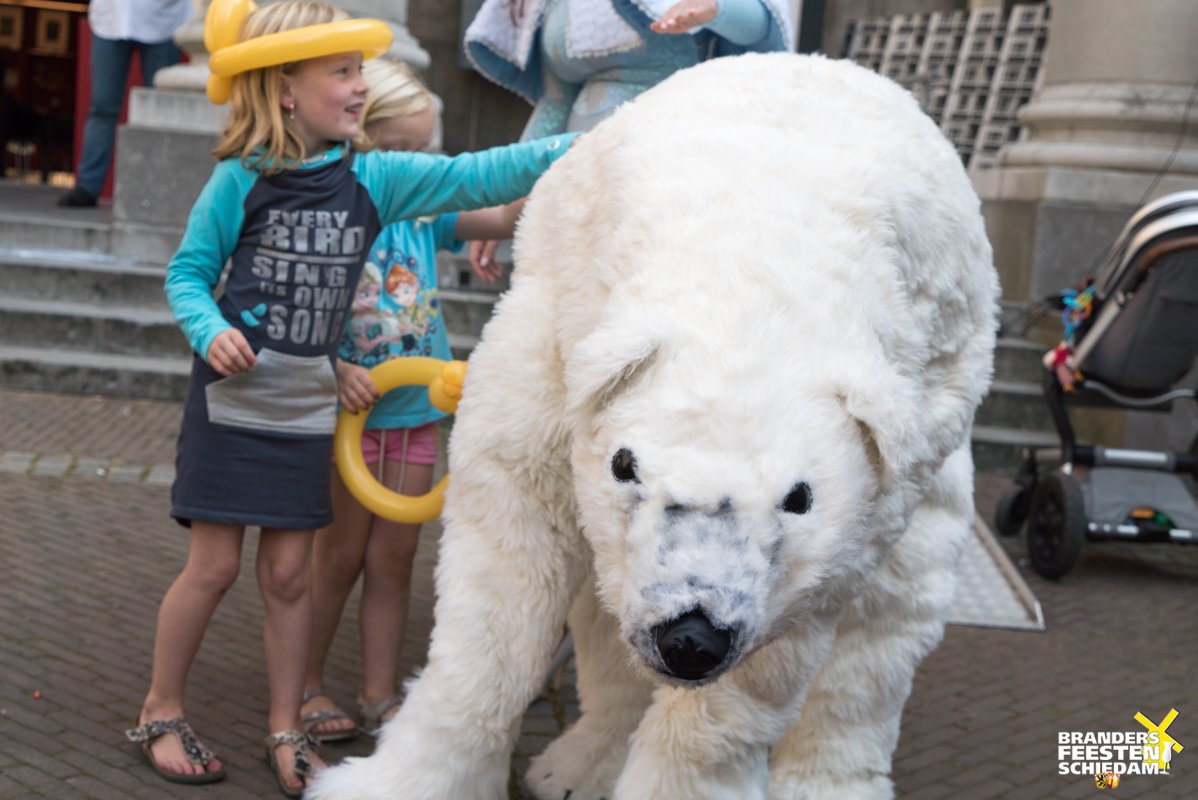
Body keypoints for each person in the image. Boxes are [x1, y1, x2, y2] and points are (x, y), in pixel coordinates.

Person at [121, 1, 575, 796]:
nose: (359, 86)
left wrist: (603, 141)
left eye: (360, 70)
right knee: (216, 568)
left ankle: (285, 728)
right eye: (341, 71)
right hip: (233, 408)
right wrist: (206, 327)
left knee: (291, 575)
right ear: (285, 88)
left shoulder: (375, 178)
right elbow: (188, 274)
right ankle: (160, 710)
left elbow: (484, 175)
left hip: (306, 411)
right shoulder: (239, 179)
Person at [298, 58, 529, 745]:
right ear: (360, 138)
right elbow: (295, 312)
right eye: (403, 150)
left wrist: (559, 138)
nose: (417, 164)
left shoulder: (426, 210)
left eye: (426, 151)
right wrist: (332, 366)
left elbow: (504, 207)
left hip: (416, 414)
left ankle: (379, 694)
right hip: (351, 417)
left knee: (395, 561)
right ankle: (306, 684)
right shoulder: (333, 208)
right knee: (336, 558)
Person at [462, 0, 792, 278]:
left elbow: (762, 25)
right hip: (578, 194)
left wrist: (717, 8)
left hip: (672, 187)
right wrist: (506, 199)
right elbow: (555, 103)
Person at [57, 0, 190, 207]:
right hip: (110, 19)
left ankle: (154, 190)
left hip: (163, 20)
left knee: (159, 113)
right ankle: (87, 187)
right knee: (101, 108)